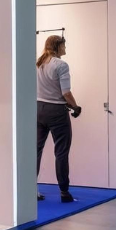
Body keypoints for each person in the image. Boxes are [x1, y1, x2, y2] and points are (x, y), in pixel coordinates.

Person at [36, 35, 82, 203]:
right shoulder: (61, 65)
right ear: (57, 47)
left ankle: (31, 191)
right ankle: (64, 192)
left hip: (38, 109)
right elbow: (66, 93)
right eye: (63, 45)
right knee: (61, 152)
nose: (65, 48)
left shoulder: (38, 63)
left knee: (35, 151)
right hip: (56, 112)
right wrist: (76, 107)